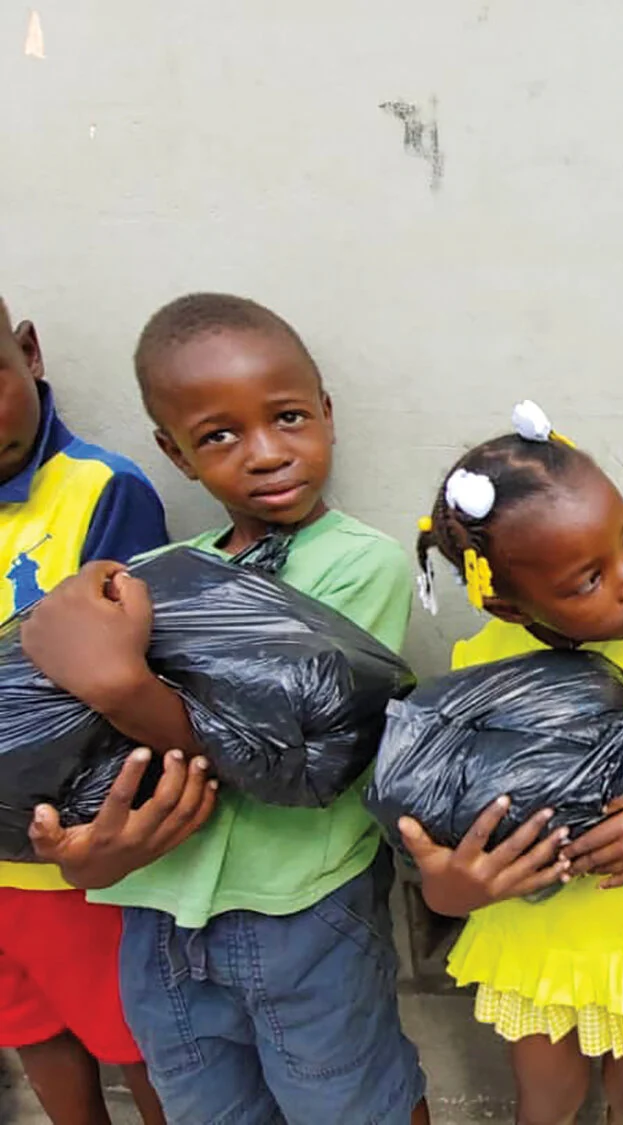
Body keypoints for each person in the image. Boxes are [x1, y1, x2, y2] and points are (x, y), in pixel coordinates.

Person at [17, 294, 430, 1125]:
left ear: (327, 414)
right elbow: (102, 750)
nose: (267, 453)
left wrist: (122, 685)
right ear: (175, 453)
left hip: (300, 914)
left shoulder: (362, 566)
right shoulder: (159, 572)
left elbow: (292, 755)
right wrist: (81, 847)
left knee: (351, 1103)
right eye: (220, 435)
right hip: (159, 915)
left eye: (287, 417)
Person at [398, 402, 623, 1125]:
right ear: (506, 604)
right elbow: (440, 825)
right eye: (587, 579)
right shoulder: (482, 667)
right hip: (536, 946)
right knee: (547, 1101)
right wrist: (449, 887)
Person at [0, 298, 167, 1125]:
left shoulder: (102, 491)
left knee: (136, 1044)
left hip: (68, 864)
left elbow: (111, 674)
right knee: (29, 1029)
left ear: (28, 351)